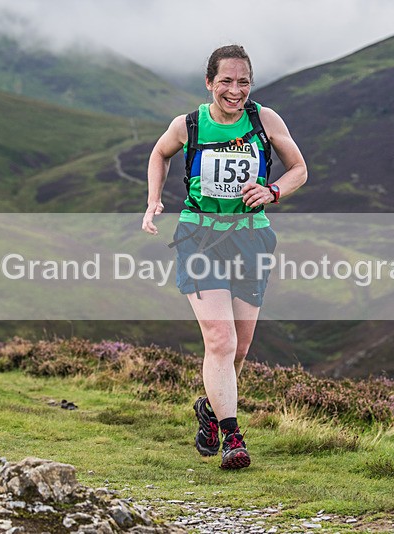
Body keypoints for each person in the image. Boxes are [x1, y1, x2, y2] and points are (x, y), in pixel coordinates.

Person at [142, 44, 307, 469]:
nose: (235, 91)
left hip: (251, 239)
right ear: (209, 82)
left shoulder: (263, 120)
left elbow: (299, 169)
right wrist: (153, 200)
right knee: (220, 339)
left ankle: (209, 408)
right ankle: (233, 437)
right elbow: (159, 154)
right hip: (199, 237)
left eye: (243, 82)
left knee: (240, 350)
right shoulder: (189, 125)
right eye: (226, 82)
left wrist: (272, 191)